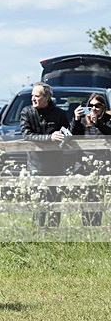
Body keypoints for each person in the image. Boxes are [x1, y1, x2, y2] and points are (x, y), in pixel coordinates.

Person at [21, 82, 70, 228]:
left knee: (55, 198)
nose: (33, 99)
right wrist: (50, 138)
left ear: (47, 97)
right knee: (39, 199)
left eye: (37, 96)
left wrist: (63, 136)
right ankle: (38, 231)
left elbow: (67, 132)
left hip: (56, 163)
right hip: (36, 164)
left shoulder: (59, 113)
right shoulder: (27, 112)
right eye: (32, 96)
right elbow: (26, 134)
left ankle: (54, 231)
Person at [70, 92, 111, 226]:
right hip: (84, 164)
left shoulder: (108, 119)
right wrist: (76, 119)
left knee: (98, 198)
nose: (94, 109)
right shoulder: (83, 120)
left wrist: (98, 123)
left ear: (104, 107)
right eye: (91, 106)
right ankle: (86, 227)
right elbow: (73, 136)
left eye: (97, 106)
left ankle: (97, 226)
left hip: (102, 164)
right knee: (86, 198)